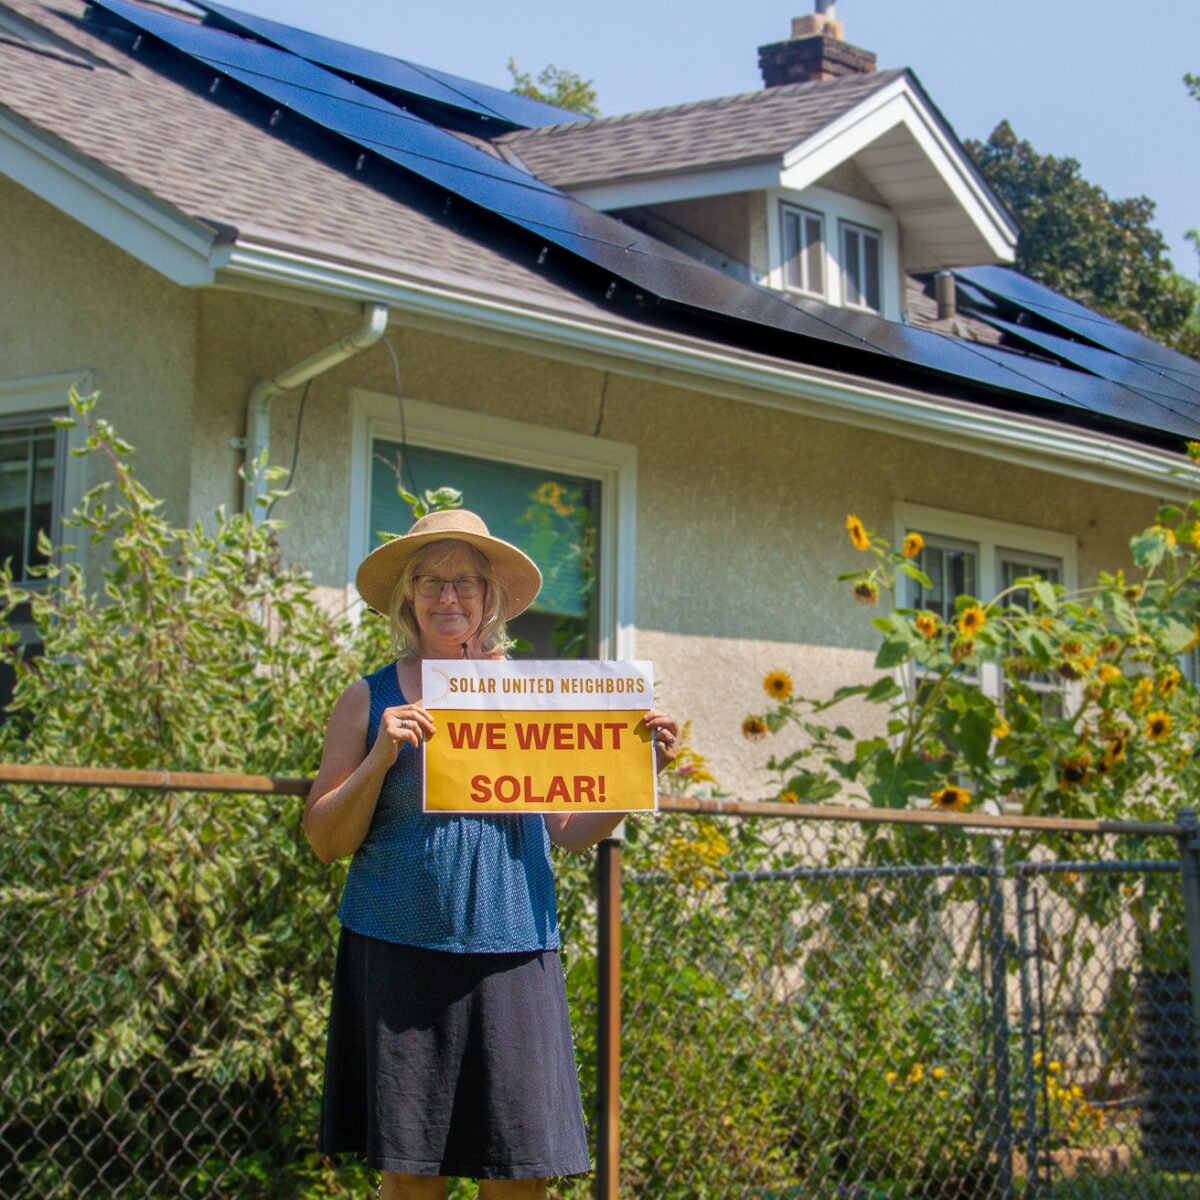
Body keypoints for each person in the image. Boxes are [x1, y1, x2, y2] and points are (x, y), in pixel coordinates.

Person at [305, 508, 678, 1200]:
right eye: (430, 582)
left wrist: (637, 771)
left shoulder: (533, 695)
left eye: (465, 583)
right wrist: (382, 757)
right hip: (399, 944)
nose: (448, 597)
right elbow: (327, 840)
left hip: (514, 946)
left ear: (489, 598)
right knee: (412, 1179)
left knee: (520, 1173)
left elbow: (568, 830)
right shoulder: (367, 700)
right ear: (407, 596)